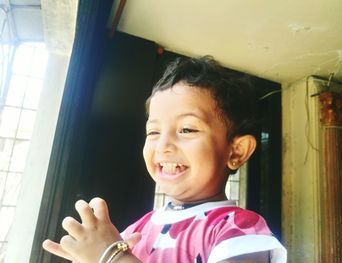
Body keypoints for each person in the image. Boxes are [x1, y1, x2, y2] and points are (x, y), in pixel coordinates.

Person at [43, 56, 287, 262]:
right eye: (154, 132)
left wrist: (111, 257)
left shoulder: (241, 231)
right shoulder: (133, 231)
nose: (163, 145)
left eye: (187, 129)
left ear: (237, 151)